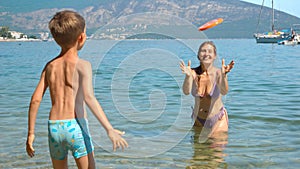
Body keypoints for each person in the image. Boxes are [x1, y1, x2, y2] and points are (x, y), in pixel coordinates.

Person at [26, 10, 128, 168]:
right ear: (81, 37)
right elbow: (89, 98)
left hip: (54, 128)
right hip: (76, 126)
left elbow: (35, 100)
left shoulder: (49, 66)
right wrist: (109, 129)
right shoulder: (83, 65)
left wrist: (31, 133)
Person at [180, 41, 234, 142]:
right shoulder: (192, 72)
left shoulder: (218, 73)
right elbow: (186, 91)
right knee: (198, 155)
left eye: (210, 51)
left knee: (216, 154)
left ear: (214, 56)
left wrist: (224, 76)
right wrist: (187, 77)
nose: (206, 54)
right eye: (203, 51)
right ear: (198, 55)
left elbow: (224, 91)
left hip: (217, 119)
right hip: (198, 120)